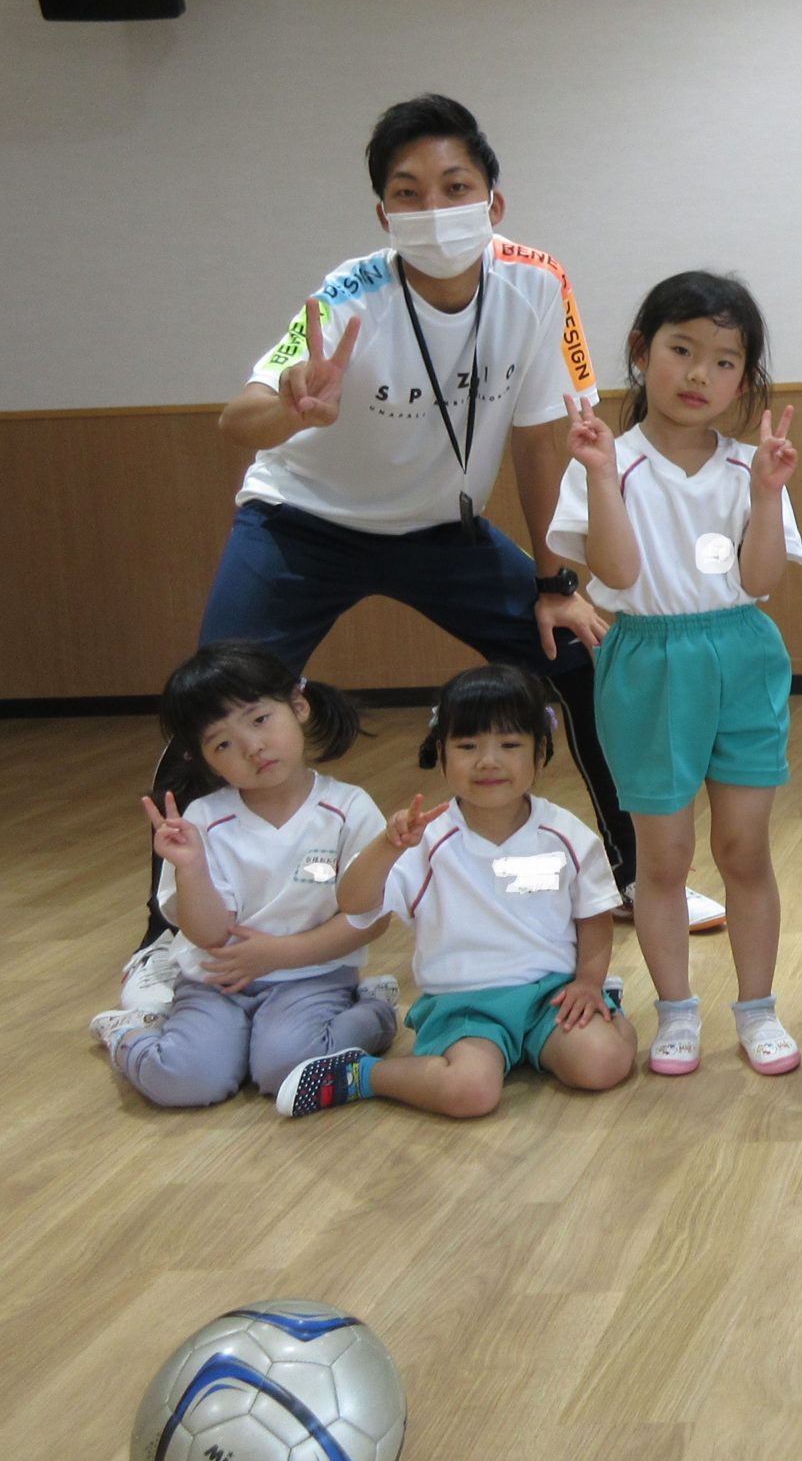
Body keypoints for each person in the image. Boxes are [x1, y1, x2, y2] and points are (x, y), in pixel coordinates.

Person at [130, 96, 635, 992]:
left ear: (495, 202)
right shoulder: (343, 295)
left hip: (443, 530)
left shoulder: (540, 284)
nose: (435, 208)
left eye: (456, 186)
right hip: (300, 526)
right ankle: (163, 931)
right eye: (409, 193)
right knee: (209, 708)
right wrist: (293, 404)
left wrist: (556, 578)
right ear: (383, 215)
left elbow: (537, 436)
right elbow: (234, 417)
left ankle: (628, 873)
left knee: (581, 653)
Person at [548, 271, 802, 1079]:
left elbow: (761, 579)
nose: (701, 375)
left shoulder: (747, 468)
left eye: (725, 362)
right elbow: (617, 573)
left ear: (746, 378)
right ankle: (677, 1011)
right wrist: (596, 474)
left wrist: (768, 493)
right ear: (641, 353)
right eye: (681, 351)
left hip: (742, 654)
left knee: (744, 850)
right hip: (649, 660)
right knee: (660, 861)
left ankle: (758, 1009)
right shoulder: (607, 461)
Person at [275, 664, 638, 1118]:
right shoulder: (425, 840)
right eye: (468, 746)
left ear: (540, 754)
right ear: (441, 755)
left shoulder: (565, 834)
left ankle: (603, 1006)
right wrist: (387, 848)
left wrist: (588, 982)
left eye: (510, 745)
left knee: (603, 1063)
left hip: (552, 993)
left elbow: (594, 917)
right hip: (466, 1004)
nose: (488, 761)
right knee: (470, 1092)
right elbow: (353, 902)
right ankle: (359, 1074)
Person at [92, 642, 399, 1105]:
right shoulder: (204, 819)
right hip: (216, 980)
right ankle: (128, 1034)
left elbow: (369, 918)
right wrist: (191, 868)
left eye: (260, 720)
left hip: (311, 976)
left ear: (298, 706)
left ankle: (375, 1007)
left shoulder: (348, 809)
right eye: (223, 743)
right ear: (202, 758)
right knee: (185, 1080)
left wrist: (282, 954)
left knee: (287, 1071)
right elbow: (210, 932)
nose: (253, 747)